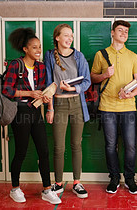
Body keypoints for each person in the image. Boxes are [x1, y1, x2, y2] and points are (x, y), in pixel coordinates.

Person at [2, 28, 61, 204]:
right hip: (20, 113)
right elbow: (7, 90)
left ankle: (47, 189)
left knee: (44, 150)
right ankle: (15, 188)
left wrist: (44, 95)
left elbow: (42, 88)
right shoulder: (15, 65)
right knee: (21, 151)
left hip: (35, 112)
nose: (38, 51)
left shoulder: (41, 67)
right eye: (34, 47)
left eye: (40, 48)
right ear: (25, 49)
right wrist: (29, 93)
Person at [90, 20, 137, 194]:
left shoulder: (133, 56)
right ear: (112, 33)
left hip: (128, 107)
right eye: (120, 30)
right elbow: (92, 78)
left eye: (126, 31)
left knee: (130, 145)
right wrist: (105, 74)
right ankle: (114, 178)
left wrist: (131, 94)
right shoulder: (101, 54)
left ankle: (129, 179)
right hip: (107, 107)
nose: (124, 33)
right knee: (110, 145)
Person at [44, 24, 91, 199]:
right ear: (57, 37)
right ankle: (58, 183)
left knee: (76, 145)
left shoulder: (78, 56)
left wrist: (73, 89)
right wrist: (50, 109)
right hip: (58, 104)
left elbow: (86, 82)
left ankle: (77, 183)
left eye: (71, 36)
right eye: (66, 35)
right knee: (58, 147)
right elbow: (49, 84)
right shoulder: (49, 56)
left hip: (77, 103)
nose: (69, 38)